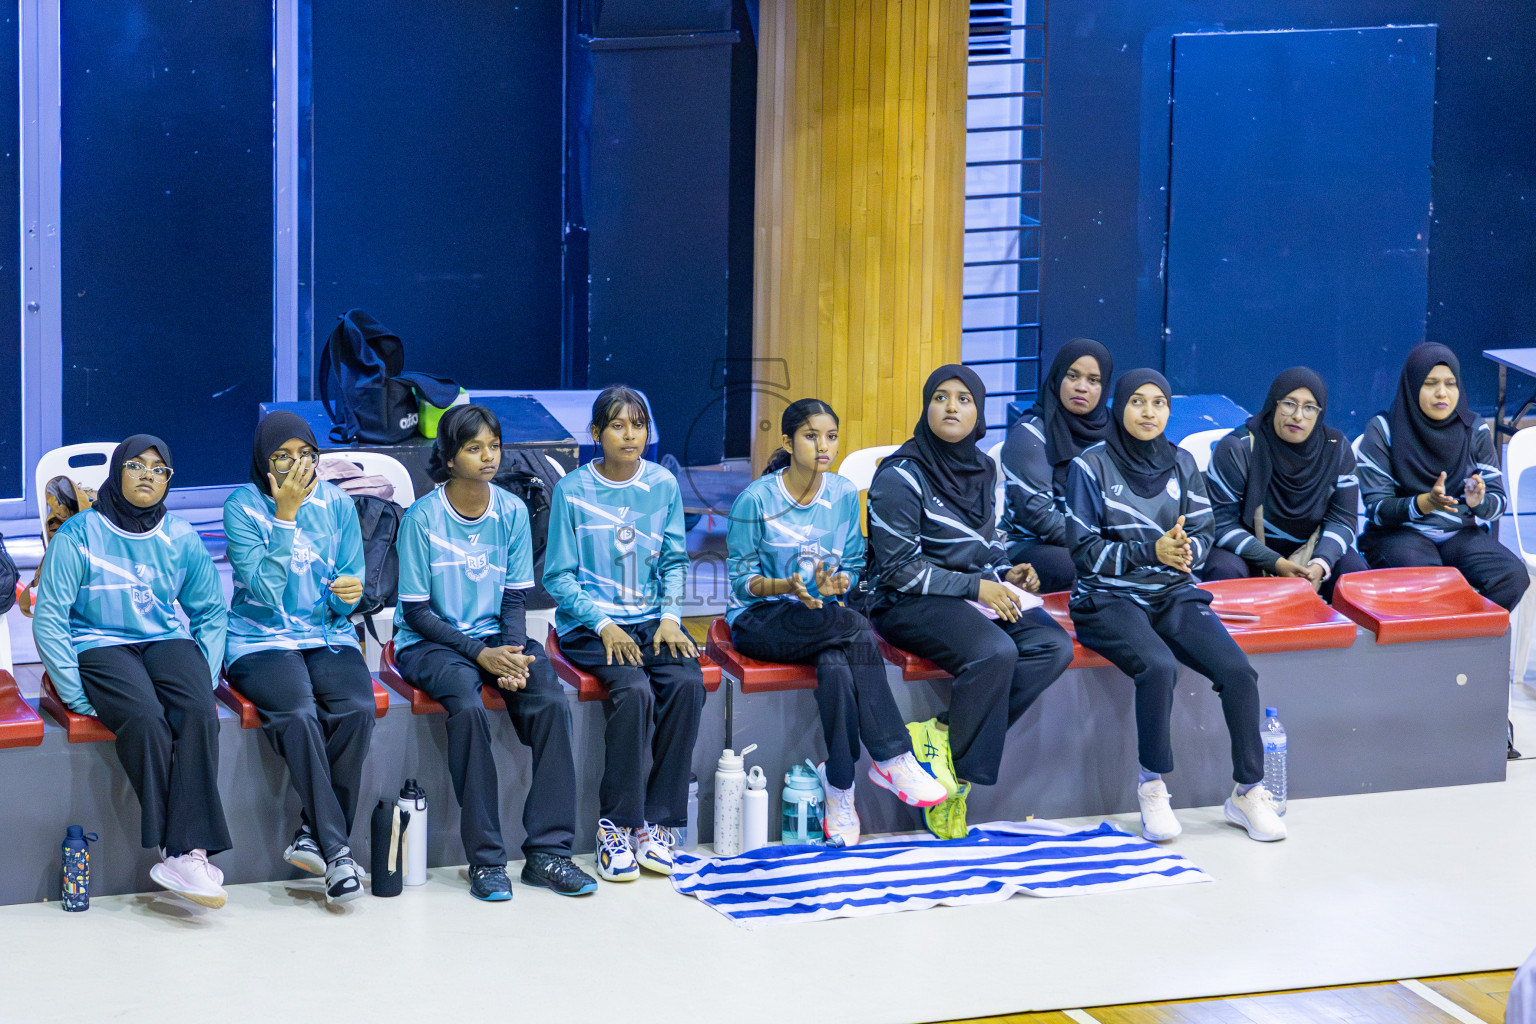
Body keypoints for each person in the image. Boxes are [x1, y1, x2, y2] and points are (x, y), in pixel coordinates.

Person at [1064, 370, 1286, 843]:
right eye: (1138, 402)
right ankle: (1152, 786)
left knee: (1239, 672)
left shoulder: (1184, 462)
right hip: (1107, 596)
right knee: (1158, 665)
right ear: (1119, 407)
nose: (1149, 412)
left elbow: (1205, 534)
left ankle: (1248, 792)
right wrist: (1152, 551)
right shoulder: (1090, 467)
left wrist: (1187, 552)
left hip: (1173, 593)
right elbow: (1082, 552)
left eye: (1159, 403)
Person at [395, 405, 597, 901]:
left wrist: (508, 653)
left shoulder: (510, 511)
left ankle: (548, 853)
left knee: (549, 699)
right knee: (465, 706)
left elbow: (513, 598)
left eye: (494, 446)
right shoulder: (422, 518)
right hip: (430, 641)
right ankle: (485, 861)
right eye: (473, 447)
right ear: (447, 457)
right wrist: (481, 657)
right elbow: (418, 613)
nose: (488, 457)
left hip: (494, 636)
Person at [865, 365, 1075, 840]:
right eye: (940, 397)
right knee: (995, 651)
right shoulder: (900, 475)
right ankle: (956, 784)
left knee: (1051, 647)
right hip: (905, 600)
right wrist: (978, 587)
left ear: (978, 413)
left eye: (964, 399)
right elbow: (899, 570)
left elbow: (991, 542)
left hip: (972, 594)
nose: (951, 407)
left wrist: (1007, 573)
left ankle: (941, 739)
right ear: (926, 407)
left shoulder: (984, 468)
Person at [726, 399, 947, 847]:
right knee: (853, 629)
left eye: (830, 436)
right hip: (761, 618)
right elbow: (739, 583)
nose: (823, 446)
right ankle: (891, 755)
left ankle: (840, 785)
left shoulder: (845, 493)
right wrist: (785, 585)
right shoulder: (756, 499)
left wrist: (834, 585)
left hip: (822, 617)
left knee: (836, 664)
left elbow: (850, 565)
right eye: (811, 436)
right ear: (787, 443)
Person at [32, 435, 233, 905]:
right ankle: (182, 851)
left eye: (159, 469)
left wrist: (203, 679)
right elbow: (50, 617)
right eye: (138, 465)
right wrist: (75, 692)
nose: (148, 475)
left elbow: (209, 612)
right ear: (118, 471)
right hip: (99, 643)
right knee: (145, 719)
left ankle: (188, 855)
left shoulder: (180, 536)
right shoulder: (81, 533)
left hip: (163, 638)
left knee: (200, 713)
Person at [544, 387, 704, 881]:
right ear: (596, 434)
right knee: (633, 691)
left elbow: (676, 559)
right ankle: (616, 826)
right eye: (618, 425)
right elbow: (558, 577)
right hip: (591, 625)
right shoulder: (572, 490)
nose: (630, 434)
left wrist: (671, 616)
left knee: (686, 684)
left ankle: (658, 825)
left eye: (638, 425)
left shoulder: (663, 485)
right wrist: (605, 624)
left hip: (651, 619)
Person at [222, 411, 372, 904]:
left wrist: (349, 595)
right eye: (281, 456)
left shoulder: (337, 504)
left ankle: (312, 834)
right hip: (258, 638)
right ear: (263, 461)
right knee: (300, 713)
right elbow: (263, 592)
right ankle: (337, 852)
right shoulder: (243, 507)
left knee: (356, 709)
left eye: (305, 455)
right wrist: (284, 516)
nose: (295, 465)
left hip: (324, 633)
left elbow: (350, 580)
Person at [1355, 342, 1528, 612]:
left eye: (1450, 383)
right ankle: (1439, 646)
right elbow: (1377, 509)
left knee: (1513, 576)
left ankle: (1466, 642)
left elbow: (1498, 504)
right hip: (1400, 533)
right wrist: (1424, 503)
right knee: (1431, 582)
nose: (1441, 393)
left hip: (1459, 533)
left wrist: (1478, 502)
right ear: (1412, 386)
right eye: (1430, 383)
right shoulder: (1384, 430)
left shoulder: (1474, 429)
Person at [1202, 367, 1367, 601]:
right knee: (1223, 570)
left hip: (1311, 553)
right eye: (1289, 403)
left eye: (1309, 407)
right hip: (1247, 553)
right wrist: (1275, 563)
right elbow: (1220, 523)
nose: (1298, 416)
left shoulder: (1336, 446)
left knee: (1353, 576)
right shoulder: (1238, 448)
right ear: (1274, 403)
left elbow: (1343, 518)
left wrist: (1321, 563)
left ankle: (1334, 638)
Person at [1000, 338, 1115, 593]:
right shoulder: (1029, 434)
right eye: (1072, 376)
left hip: (1100, 540)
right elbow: (1039, 517)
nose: (1081, 387)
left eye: (1093, 380)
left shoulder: (1114, 432)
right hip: (1031, 545)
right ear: (1057, 377)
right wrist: (1104, 544)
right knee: (1075, 565)